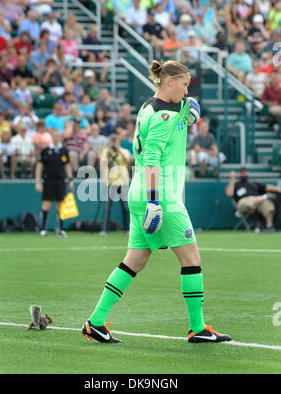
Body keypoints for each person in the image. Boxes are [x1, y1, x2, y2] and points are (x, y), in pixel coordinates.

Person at [82, 59, 232, 344]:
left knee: (134, 261)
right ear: (169, 81)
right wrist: (155, 202)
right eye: (185, 84)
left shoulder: (150, 106)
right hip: (160, 194)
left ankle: (96, 323)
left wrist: (192, 112)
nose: (187, 91)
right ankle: (197, 328)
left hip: (139, 191)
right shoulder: (164, 115)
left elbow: (185, 114)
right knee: (192, 260)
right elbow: (151, 159)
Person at [35, 128, 74, 238]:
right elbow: (39, 166)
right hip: (48, 181)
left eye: (58, 135)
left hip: (61, 181)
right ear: (51, 137)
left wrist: (70, 180)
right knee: (46, 205)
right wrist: (38, 181)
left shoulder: (64, 151)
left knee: (61, 206)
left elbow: (67, 165)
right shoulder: (45, 151)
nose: (57, 137)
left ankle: (60, 230)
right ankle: (43, 229)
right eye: (55, 135)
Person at [225, 168, 281, 233]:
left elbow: (267, 187)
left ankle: (269, 227)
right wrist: (232, 179)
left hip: (258, 201)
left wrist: (278, 189)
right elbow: (229, 194)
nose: (243, 173)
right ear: (239, 173)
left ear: (247, 173)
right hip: (243, 202)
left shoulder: (253, 183)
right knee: (257, 199)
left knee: (267, 204)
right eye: (242, 172)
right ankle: (264, 197)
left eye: (245, 172)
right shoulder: (236, 184)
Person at [99, 132, 131, 236]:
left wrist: (118, 150)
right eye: (112, 140)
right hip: (111, 182)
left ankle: (128, 229)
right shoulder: (106, 151)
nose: (114, 142)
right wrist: (110, 152)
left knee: (125, 206)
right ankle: (104, 230)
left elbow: (128, 162)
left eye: (115, 140)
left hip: (122, 181)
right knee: (108, 206)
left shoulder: (124, 151)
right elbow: (104, 163)